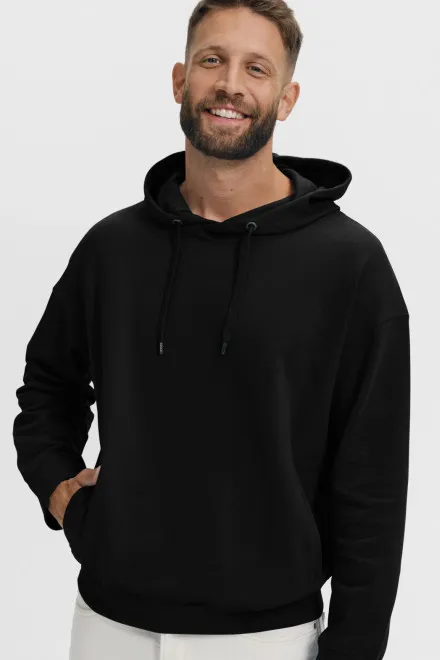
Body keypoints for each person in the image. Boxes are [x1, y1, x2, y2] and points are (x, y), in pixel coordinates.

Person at [12, 1, 410, 659]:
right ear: (180, 80)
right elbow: (48, 386)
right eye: (212, 60)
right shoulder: (113, 248)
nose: (230, 84)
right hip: (109, 627)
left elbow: (373, 483)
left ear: (286, 99)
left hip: (269, 638)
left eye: (257, 68)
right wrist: (61, 490)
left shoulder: (350, 265)